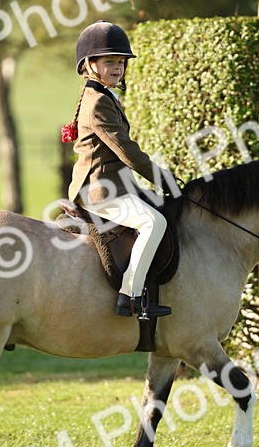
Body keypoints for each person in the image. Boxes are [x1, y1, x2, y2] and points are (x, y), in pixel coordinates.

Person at [66, 21, 178, 319]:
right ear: (89, 64)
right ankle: (130, 295)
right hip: (101, 190)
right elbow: (126, 149)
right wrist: (160, 177)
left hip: (115, 183)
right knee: (154, 223)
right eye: (109, 62)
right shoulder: (98, 104)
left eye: (120, 62)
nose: (117, 68)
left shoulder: (102, 96)